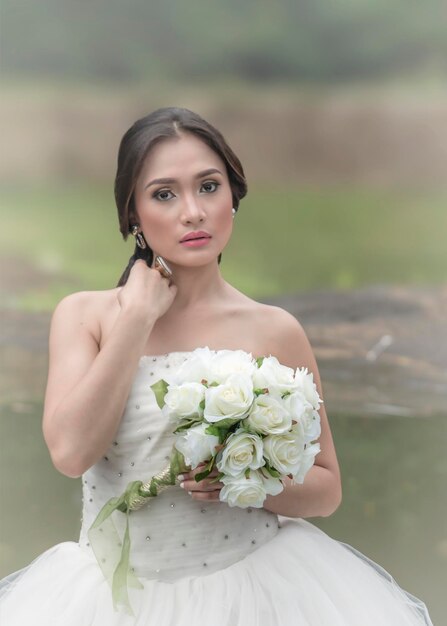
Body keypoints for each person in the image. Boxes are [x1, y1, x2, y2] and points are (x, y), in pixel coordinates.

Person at [0, 107, 433, 625]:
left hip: (256, 591)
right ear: (133, 213)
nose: (193, 212)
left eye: (209, 187)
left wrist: (244, 480)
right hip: (115, 601)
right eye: (165, 194)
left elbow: (326, 489)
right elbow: (71, 453)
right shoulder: (86, 317)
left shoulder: (273, 329)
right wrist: (135, 319)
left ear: (233, 196)